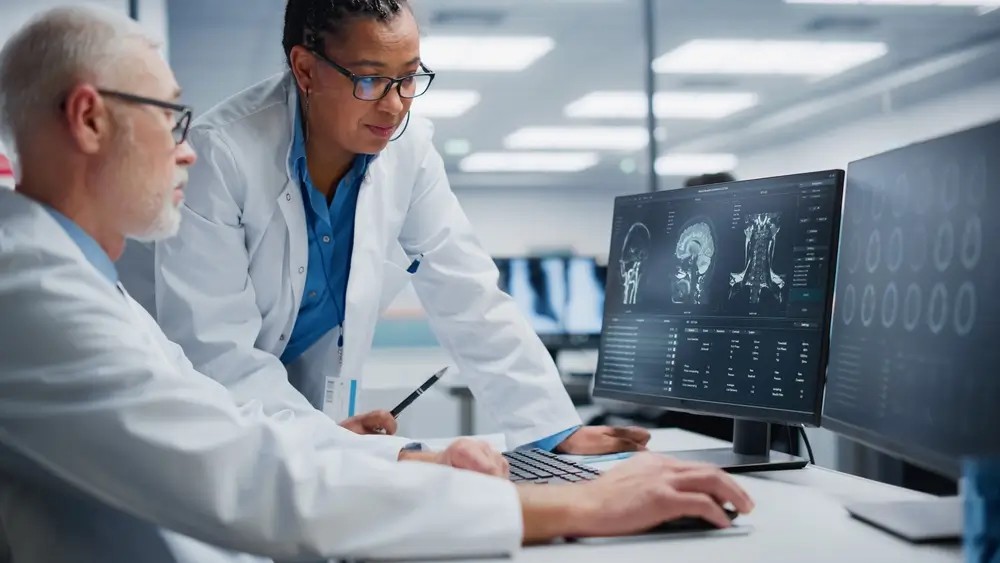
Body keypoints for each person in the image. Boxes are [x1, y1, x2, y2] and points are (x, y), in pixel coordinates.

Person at [0, 6, 755, 563]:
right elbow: (242, 450)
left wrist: (539, 435)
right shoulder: (41, 294)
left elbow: (467, 289)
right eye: (169, 116)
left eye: (408, 80)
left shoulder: (74, 285)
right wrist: (567, 501)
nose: (184, 150)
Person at [123, 0, 650, 456]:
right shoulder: (222, 154)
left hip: (295, 411)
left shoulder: (409, 151)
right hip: (186, 413)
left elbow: (468, 292)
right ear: (305, 70)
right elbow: (217, 354)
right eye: (371, 79)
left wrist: (552, 427)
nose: (396, 104)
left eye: (409, 77)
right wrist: (332, 444)